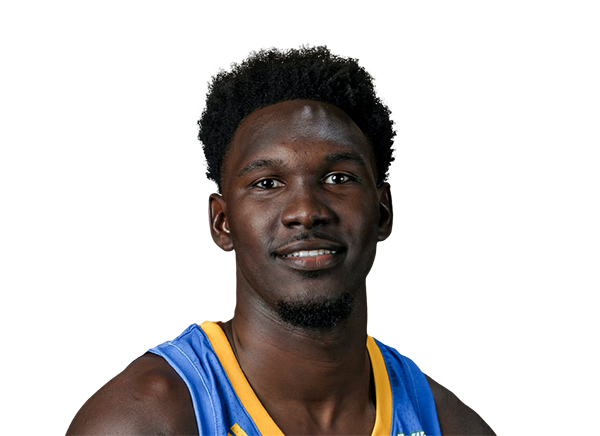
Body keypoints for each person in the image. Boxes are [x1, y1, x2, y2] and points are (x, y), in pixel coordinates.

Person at [68, 46, 495, 436]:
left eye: (338, 178)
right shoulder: (144, 420)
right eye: (268, 182)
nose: (306, 211)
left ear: (382, 213)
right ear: (223, 223)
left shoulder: (445, 422)